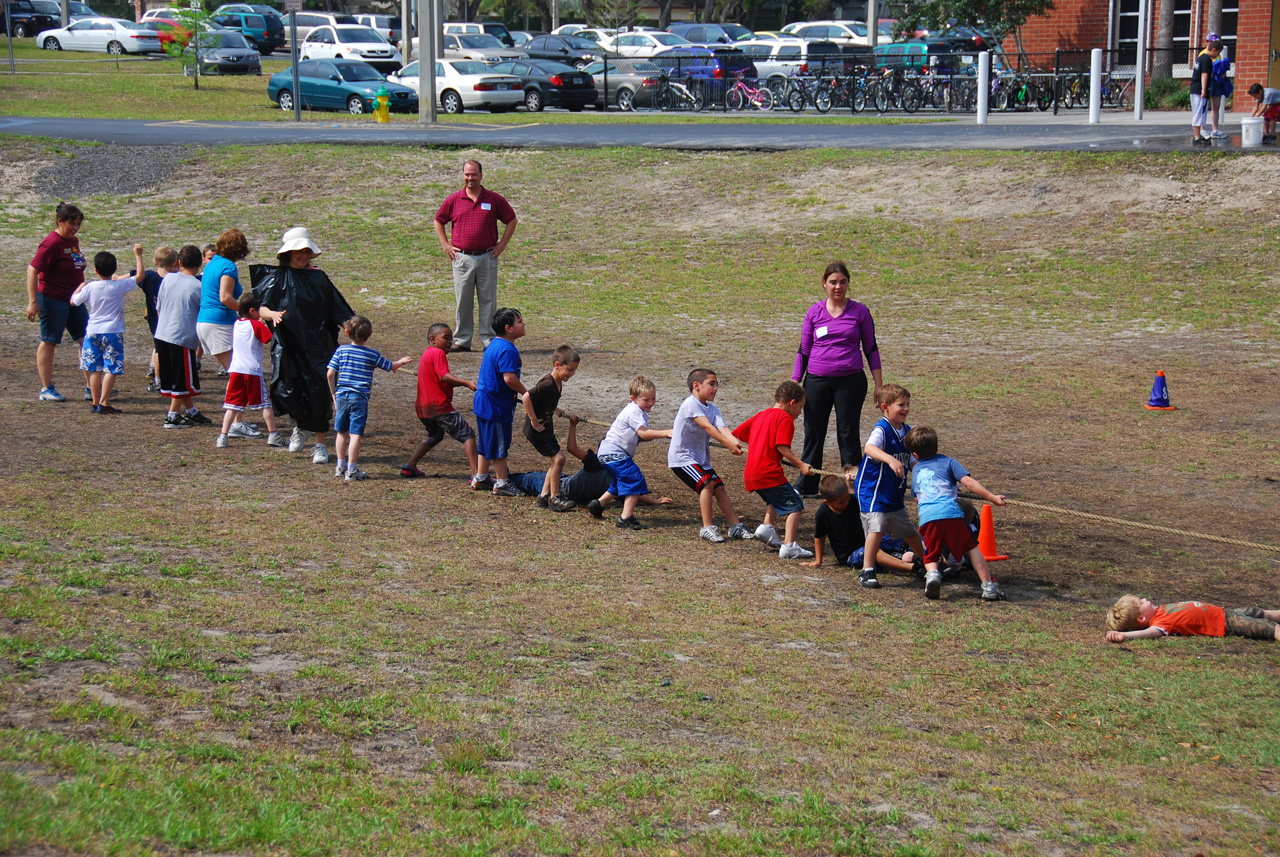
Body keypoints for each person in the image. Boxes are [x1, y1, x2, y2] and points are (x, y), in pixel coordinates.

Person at [251, 227, 355, 466]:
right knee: (287, 389)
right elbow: (262, 308)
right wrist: (272, 315)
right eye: (300, 251)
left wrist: (349, 325)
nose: (304, 255)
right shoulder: (275, 278)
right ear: (288, 252)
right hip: (288, 346)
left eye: (308, 251)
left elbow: (338, 307)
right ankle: (300, 427)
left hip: (319, 346)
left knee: (319, 394)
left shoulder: (318, 278)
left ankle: (320, 444)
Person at [792, 261, 883, 497]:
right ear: (824, 284)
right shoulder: (814, 312)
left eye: (843, 282)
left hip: (850, 381)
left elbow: (871, 348)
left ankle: (853, 485)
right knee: (813, 431)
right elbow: (804, 349)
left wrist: (879, 384)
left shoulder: (860, 312)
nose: (838, 286)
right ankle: (807, 485)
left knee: (848, 433)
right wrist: (795, 381)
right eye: (833, 282)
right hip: (816, 381)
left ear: (848, 284)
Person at [903, 425, 1007, 602]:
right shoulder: (949, 462)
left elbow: (918, 498)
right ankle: (989, 586)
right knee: (972, 548)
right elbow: (969, 482)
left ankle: (933, 576)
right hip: (951, 514)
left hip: (927, 517)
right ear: (936, 446)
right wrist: (992, 498)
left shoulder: (917, 471)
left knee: (930, 552)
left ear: (915, 455)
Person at [433, 159, 519, 352]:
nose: (469, 178)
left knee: (488, 300)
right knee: (463, 299)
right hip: (462, 258)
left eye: (473, 174)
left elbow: (511, 220)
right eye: (467, 174)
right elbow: (438, 221)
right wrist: (445, 245)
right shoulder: (453, 200)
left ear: (481, 175)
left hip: (487, 257)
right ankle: (462, 340)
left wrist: (502, 245)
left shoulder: (494, 199)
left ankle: (488, 339)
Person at [513, 414, 674, 509]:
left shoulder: (617, 471)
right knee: (528, 479)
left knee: (533, 478)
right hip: (562, 487)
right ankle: (500, 480)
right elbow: (572, 448)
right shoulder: (596, 462)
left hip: (567, 486)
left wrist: (655, 501)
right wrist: (573, 425)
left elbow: (630, 493)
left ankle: (503, 478)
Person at [667, 367, 753, 543]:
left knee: (719, 487)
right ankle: (707, 528)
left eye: (717, 385)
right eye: (711, 384)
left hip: (700, 460)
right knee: (707, 484)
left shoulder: (713, 409)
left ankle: (735, 526)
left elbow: (723, 429)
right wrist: (728, 444)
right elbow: (708, 427)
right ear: (696, 386)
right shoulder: (690, 404)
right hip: (682, 458)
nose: (716, 388)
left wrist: (735, 443)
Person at [731, 380, 815, 560]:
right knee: (794, 506)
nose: (800, 413)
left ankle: (767, 528)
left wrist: (735, 446)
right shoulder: (785, 419)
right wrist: (800, 464)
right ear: (792, 403)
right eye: (800, 407)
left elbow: (737, 435)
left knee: (777, 497)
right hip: (768, 472)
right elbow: (782, 447)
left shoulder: (761, 415)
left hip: (752, 473)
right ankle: (789, 546)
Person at [854, 383, 926, 590]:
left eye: (908, 404)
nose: (906, 409)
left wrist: (924, 479)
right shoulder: (882, 430)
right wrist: (890, 460)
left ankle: (930, 564)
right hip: (873, 492)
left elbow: (912, 461)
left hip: (893, 493)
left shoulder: (907, 432)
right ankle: (867, 570)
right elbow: (869, 448)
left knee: (910, 532)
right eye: (901, 405)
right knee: (876, 529)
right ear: (885, 407)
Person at [325, 315, 412, 481]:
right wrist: (401, 361)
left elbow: (330, 373)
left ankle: (340, 467)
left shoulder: (341, 350)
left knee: (341, 432)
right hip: (359, 398)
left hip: (342, 396)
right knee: (355, 434)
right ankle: (351, 470)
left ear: (347, 332)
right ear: (370, 333)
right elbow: (390, 366)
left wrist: (333, 394)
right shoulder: (372, 354)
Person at [588, 375, 673, 530]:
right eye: (646, 400)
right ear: (633, 398)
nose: (650, 403)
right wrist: (666, 433)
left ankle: (598, 504)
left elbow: (641, 437)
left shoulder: (636, 411)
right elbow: (643, 434)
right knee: (634, 480)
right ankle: (625, 518)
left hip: (606, 452)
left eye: (653, 398)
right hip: (614, 452)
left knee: (619, 483)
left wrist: (655, 435)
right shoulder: (635, 411)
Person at [26, 201, 89, 403]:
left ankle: (91, 386)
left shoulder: (73, 241)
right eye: (72, 223)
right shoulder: (51, 243)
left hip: (74, 299)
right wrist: (32, 301)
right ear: (60, 221)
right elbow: (32, 270)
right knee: (50, 341)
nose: (76, 228)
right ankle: (46, 387)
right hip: (53, 298)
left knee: (86, 339)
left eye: (78, 224)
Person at [69, 246, 144, 414]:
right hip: (113, 331)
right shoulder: (119, 285)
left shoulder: (91, 287)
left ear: (96, 270)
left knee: (94, 367)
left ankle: (95, 402)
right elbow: (139, 276)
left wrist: (79, 287)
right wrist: (138, 256)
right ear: (115, 269)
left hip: (93, 331)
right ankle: (104, 402)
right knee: (111, 367)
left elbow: (74, 301)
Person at [401, 323, 479, 481]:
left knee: (435, 435)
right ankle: (477, 475)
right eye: (446, 338)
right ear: (433, 339)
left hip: (423, 408)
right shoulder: (437, 353)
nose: (450, 341)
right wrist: (467, 383)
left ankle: (410, 466)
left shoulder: (427, 354)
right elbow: (445, 376)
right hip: (439, 407)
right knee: (468, 435)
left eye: (451, 338)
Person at [799, 474, 918, 574]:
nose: (846, 503)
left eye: (847, 499)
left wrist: (851, 486)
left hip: (866, 541)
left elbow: (860, 500)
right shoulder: (823, 513)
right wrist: (818, 561)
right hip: (851, 555)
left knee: (895, 535)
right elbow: (819, 537)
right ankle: (913, 568)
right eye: (841, 502)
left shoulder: (852, 501)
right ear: (827, 502)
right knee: (871, 551)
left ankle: (923, 554)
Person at [216, 292, 288, 449]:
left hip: (236, 370)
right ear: (252, 311)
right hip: (252, 371)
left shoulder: (237, 324)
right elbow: (268, 338)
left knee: (232, 405)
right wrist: (263, 323)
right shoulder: (256, 325)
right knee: (265, 404)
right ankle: (273, 434)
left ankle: (223, 436)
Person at [472, 307, 529, 496]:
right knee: (499, 444)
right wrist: (525, 392)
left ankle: (481, 477)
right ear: (508, 328)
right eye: (519, 321)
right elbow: (509, 379)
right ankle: (502, 482)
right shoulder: (507, 349)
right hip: (495, 406)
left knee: (486, 441)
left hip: (484, 403)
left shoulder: (493, 345)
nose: (524, 324)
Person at [521, 345, 580, 512]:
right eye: (569, 370)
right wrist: (533, 420)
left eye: (574, 370)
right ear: (557, 365)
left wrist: (555, 409)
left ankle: (544, 496)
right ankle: (555, 499)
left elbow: (545, 401)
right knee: (559, 459)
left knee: (556, 461)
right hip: (538, 430)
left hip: (546, 428)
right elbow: (526, 397)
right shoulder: (547, 383)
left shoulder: (558, 382)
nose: (572, 374)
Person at [153, 245, 206, 429]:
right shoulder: (199, 287)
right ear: (200, 264)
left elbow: (158, 307)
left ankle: (191, 411)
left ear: (179, 263)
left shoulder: (168, 279)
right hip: (180, 338)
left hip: (162, 334)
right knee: (181, 380)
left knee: (176, 377)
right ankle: (172, 416)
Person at [1106, 596, 1280, 643]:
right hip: (1225, 623)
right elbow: (1150, 633)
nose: (1145, 599)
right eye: (1141, 602)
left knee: (1258, 612)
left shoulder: (1160, 611)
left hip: (1225, 612)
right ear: (1141, 617)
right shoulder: (1159, 623)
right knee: (1266, 627)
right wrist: (1125, 636)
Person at [198, 228, 249, 377]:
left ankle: (234, 400)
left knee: (236, 371)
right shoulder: (228, 266)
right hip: (219, 323)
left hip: (205, 321)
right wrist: (246, 312)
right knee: (239, 372)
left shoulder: (213, 263)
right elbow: (225, 298)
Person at [130, 246, 176, 393]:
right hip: (172, 322)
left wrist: (138, 256)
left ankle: (158, 377)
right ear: (175, 263)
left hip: (155, 322)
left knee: (159, 348)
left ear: (155, 262)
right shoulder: (175, 280)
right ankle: (159, 379)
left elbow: (138, 275)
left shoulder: (149, 277)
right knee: (164, 350)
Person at [1191, 40, 1222, 148]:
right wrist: (1204, 90)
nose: (1218, 55)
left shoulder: (1200, 57)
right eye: (1218, 53)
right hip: (1199, 89)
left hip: (1195, 89)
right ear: (1214, 50)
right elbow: (1204, 74)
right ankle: (1197, 137)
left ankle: (1198, 135)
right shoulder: (1206, 60)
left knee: (1200, 112)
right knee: (1199, 113)